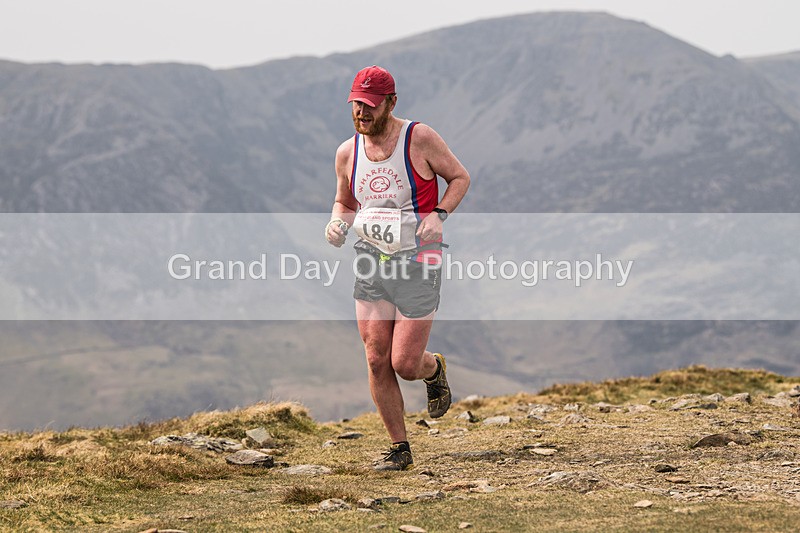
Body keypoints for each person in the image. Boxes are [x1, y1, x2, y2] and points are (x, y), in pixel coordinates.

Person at [325, 65, 470, 471]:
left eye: (370, 106)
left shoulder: (418, 138)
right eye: (356, 105)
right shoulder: (347, 151)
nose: (362, 114)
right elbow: (345, 202)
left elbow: (459, 177)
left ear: (391, 102)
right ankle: (399, 447)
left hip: (419, 261)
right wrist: (337, 223)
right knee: (375, 358)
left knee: (404, 363)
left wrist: (439, 213)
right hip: (372, 260)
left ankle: (432, 367)